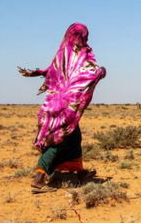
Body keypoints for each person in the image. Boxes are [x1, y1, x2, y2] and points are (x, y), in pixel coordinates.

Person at [18, 23, 106, 193]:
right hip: (67, 108)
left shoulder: (63, 54)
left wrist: (37, 72)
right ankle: (39, 179)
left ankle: (80, 173)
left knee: (74, 137)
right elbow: (87, 73)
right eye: (85, 36)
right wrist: (100, 72)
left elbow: (52, 71)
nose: (86, 39)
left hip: (55, 104)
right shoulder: (79, 55)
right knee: (58, 140)